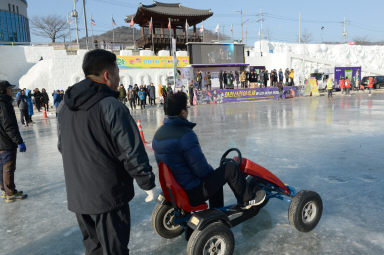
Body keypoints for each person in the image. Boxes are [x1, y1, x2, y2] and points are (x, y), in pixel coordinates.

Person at [57, 49, 155, 254]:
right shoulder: (111, 106)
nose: (119, 77)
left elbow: (61, 146)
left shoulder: (65, 106)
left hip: (79, 197)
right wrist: (146, 181)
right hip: (108, 196)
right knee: (115, 250)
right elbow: (131, 151)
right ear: (107, 75)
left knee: (94, 249)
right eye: (117, 71)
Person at [153, 92, 266, 209]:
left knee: (214, 178)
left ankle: (216, 211)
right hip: (191, 191)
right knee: (230, 168)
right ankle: (247, 199)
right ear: (182, 112)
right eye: (186, 107)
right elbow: (201, 170)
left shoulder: (159, 133)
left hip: (174, 188)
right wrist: (212, 173)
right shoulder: (185, 135)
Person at [0, 80, 27, 203]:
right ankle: (10, 193)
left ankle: (5, 190)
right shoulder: (4, 104)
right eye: (9, 89)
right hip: (6, 143)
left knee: (2, 167)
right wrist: (19, 141)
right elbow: (9, 126)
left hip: (2, 142)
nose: (11, 91)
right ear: (3, 91)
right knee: (8, 168)